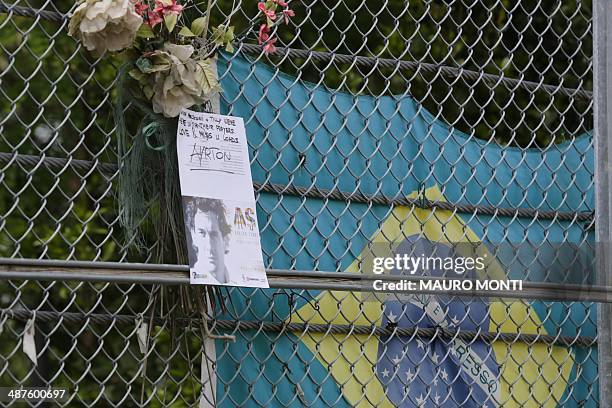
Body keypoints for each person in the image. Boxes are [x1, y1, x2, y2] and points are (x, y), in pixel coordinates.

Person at [184, 197, 232, 284]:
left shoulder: (235, 277)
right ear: (193, 237)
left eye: (214, 235)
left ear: (225, 239)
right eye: (201, 233)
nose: (209, 247)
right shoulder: (189, 282)